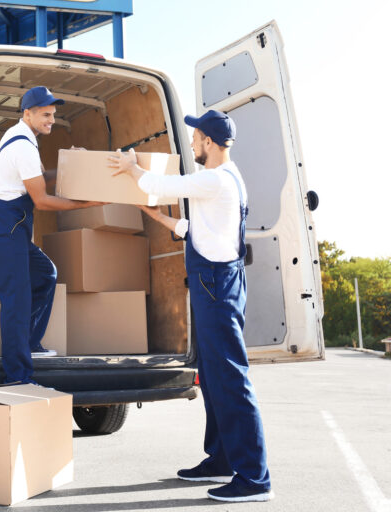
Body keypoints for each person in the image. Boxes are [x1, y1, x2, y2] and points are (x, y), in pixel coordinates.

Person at [108, 110, 273, 503]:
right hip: (217, 282)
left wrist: (131, 166)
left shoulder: (213, 178)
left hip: (216, 284)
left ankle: (254, 478)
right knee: (213, 377)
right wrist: (156, 219)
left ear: (209, 143)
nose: (193, 144)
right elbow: (198, 228)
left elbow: (160, 185)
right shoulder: (227, 180)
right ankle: (221, 459)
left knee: (230, 378)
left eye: (196, 138)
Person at [0, 86, 102, 384]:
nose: (51, 120)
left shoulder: (21, 137)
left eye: (53, 115)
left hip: (11, 223)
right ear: (28, 113)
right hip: (6, 224)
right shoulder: (22, 144)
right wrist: (87, 204)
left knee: (45, 273)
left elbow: (36, 177)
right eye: (46, 115)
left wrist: (66, 167)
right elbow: (42, 200)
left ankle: (29, 343)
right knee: (16, 300)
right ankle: (18, 376)